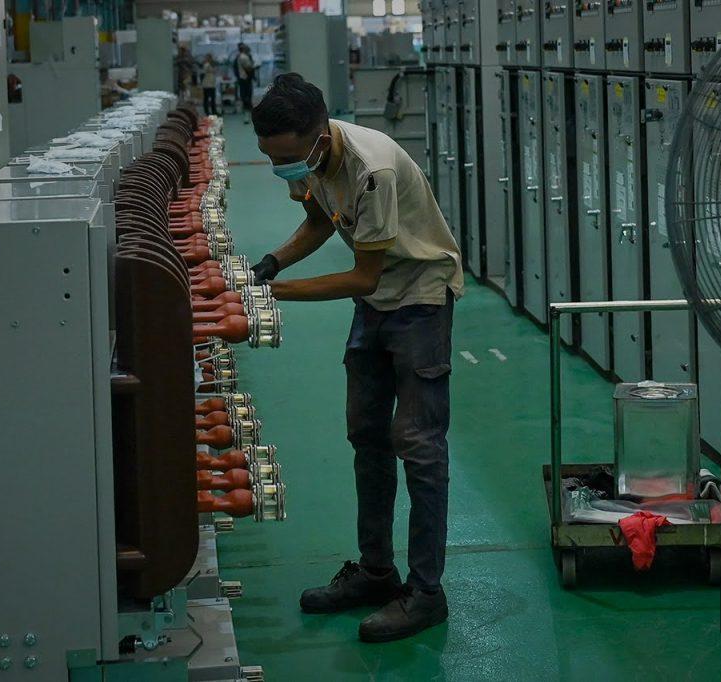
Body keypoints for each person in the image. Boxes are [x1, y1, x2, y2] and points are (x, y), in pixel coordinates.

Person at [249, 73, 463, 643]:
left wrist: (275, 295)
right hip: (377, 299)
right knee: (367, 435)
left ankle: (425, 593)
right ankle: (375, 573)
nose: (283, 170)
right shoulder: (315, 161)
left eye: (288, 158)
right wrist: (271, 263)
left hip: (417, 297)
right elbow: (321, 220)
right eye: (272, 161)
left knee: (418, 446)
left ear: (319, 137)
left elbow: (362, 273)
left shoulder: (372, 169)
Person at [235, 43, 256, 123]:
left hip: (243, 78)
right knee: (247, 96)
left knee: (245, 95)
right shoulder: (244, 57)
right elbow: (248, 68)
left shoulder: (240, 56)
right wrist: (254, 67)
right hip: (245, 78)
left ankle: (247, 113)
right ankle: (247, 114)